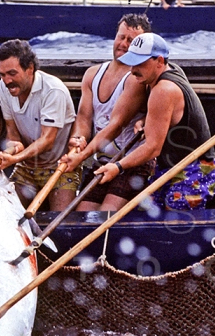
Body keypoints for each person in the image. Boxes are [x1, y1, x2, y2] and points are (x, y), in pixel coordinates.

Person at [91, 32, 215, 211]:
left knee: (172, 219)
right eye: (132, 62)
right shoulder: (170, 69)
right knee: (142, 211)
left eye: (140, 64)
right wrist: (147, 119)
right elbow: (171, 112)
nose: (133, 70)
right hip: (168, 166)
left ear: (159, 61)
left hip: (194, 169)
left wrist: (117, 167)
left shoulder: (163, 90)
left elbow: (152, 148)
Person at [62, 14, 153, 211]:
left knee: (105, 218)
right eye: (121, 37)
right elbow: (84, 118)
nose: (123, 44)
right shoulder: (92, 74)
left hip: (131, 164)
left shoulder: (135, 79)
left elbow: (116, 125)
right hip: (102, 161)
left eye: (131, 41)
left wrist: (81, 156)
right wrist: (78, 138)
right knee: (83, 217)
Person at [0, 39, 79, 211]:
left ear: (30, 68)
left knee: (60, 224)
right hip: (26, 167)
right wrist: (14, 145)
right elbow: (12, 130)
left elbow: (47, 141)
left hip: (60, 167)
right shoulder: (4, 86)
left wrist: (15, 158)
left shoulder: (53, 91)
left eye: (12, 73)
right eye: (2, 75)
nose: (7, 81)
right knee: (4, 214)